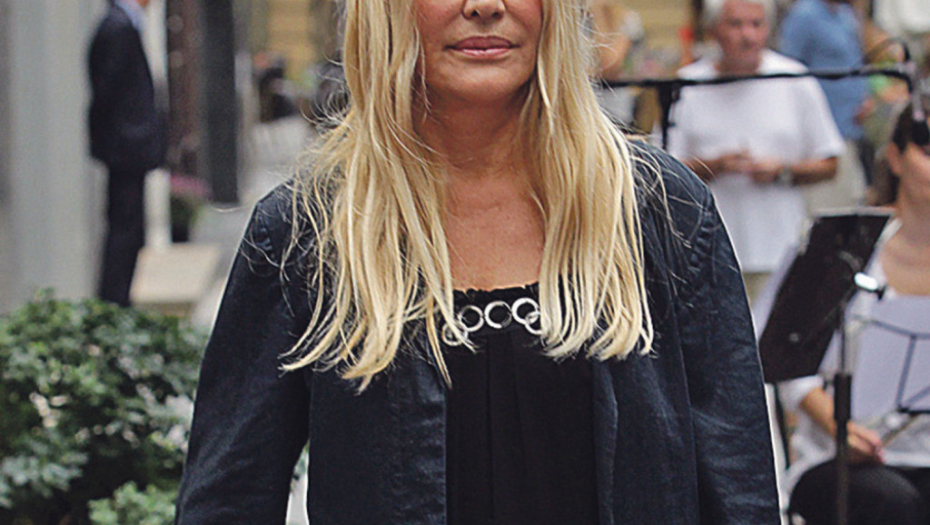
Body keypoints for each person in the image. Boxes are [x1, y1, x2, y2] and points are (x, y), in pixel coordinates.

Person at [175, 0, 780, 523]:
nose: (486, 5)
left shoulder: (658, 211)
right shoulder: (309, 230)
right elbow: (229, 496)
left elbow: (738, 482)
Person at [779, 97, 930, 525]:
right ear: (896, 158)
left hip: (922, 454)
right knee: (893, 504)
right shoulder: (844, 244)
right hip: (841, 458)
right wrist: (838, 427)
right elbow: (787, 360)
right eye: (927, 152)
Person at [664, 0, 845, 300]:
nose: (747, 35)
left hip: (780, 251)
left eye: (756, 24)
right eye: (735, 24)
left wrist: (782, 171)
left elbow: (829, 162)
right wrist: (714, 166)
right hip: (705, 255)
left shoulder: (794, 78)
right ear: (714, 30)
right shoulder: (688, 84)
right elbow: (664, 170)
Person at [88, 0, 163, 307]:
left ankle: (119, 300)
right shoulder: (117, 27)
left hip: (127, 149)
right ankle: (114, 302)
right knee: (124, 229)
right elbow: (108, 94)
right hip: (125, 150)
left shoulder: (123, 25)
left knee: (130, 230)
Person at [779, 0, 870, 213]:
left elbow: (855, 60)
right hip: (822, 139)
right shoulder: (803, 15)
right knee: (827, 212)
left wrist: (865, 97)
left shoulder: (846, 14)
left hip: (851, 131)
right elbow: (790, 70)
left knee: (852, 204)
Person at [588, 0, 644, 124]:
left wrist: (599, 15)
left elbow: (609, 63)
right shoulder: (578, 20)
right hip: (583, 108)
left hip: (616, 108)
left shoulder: (627, 19)